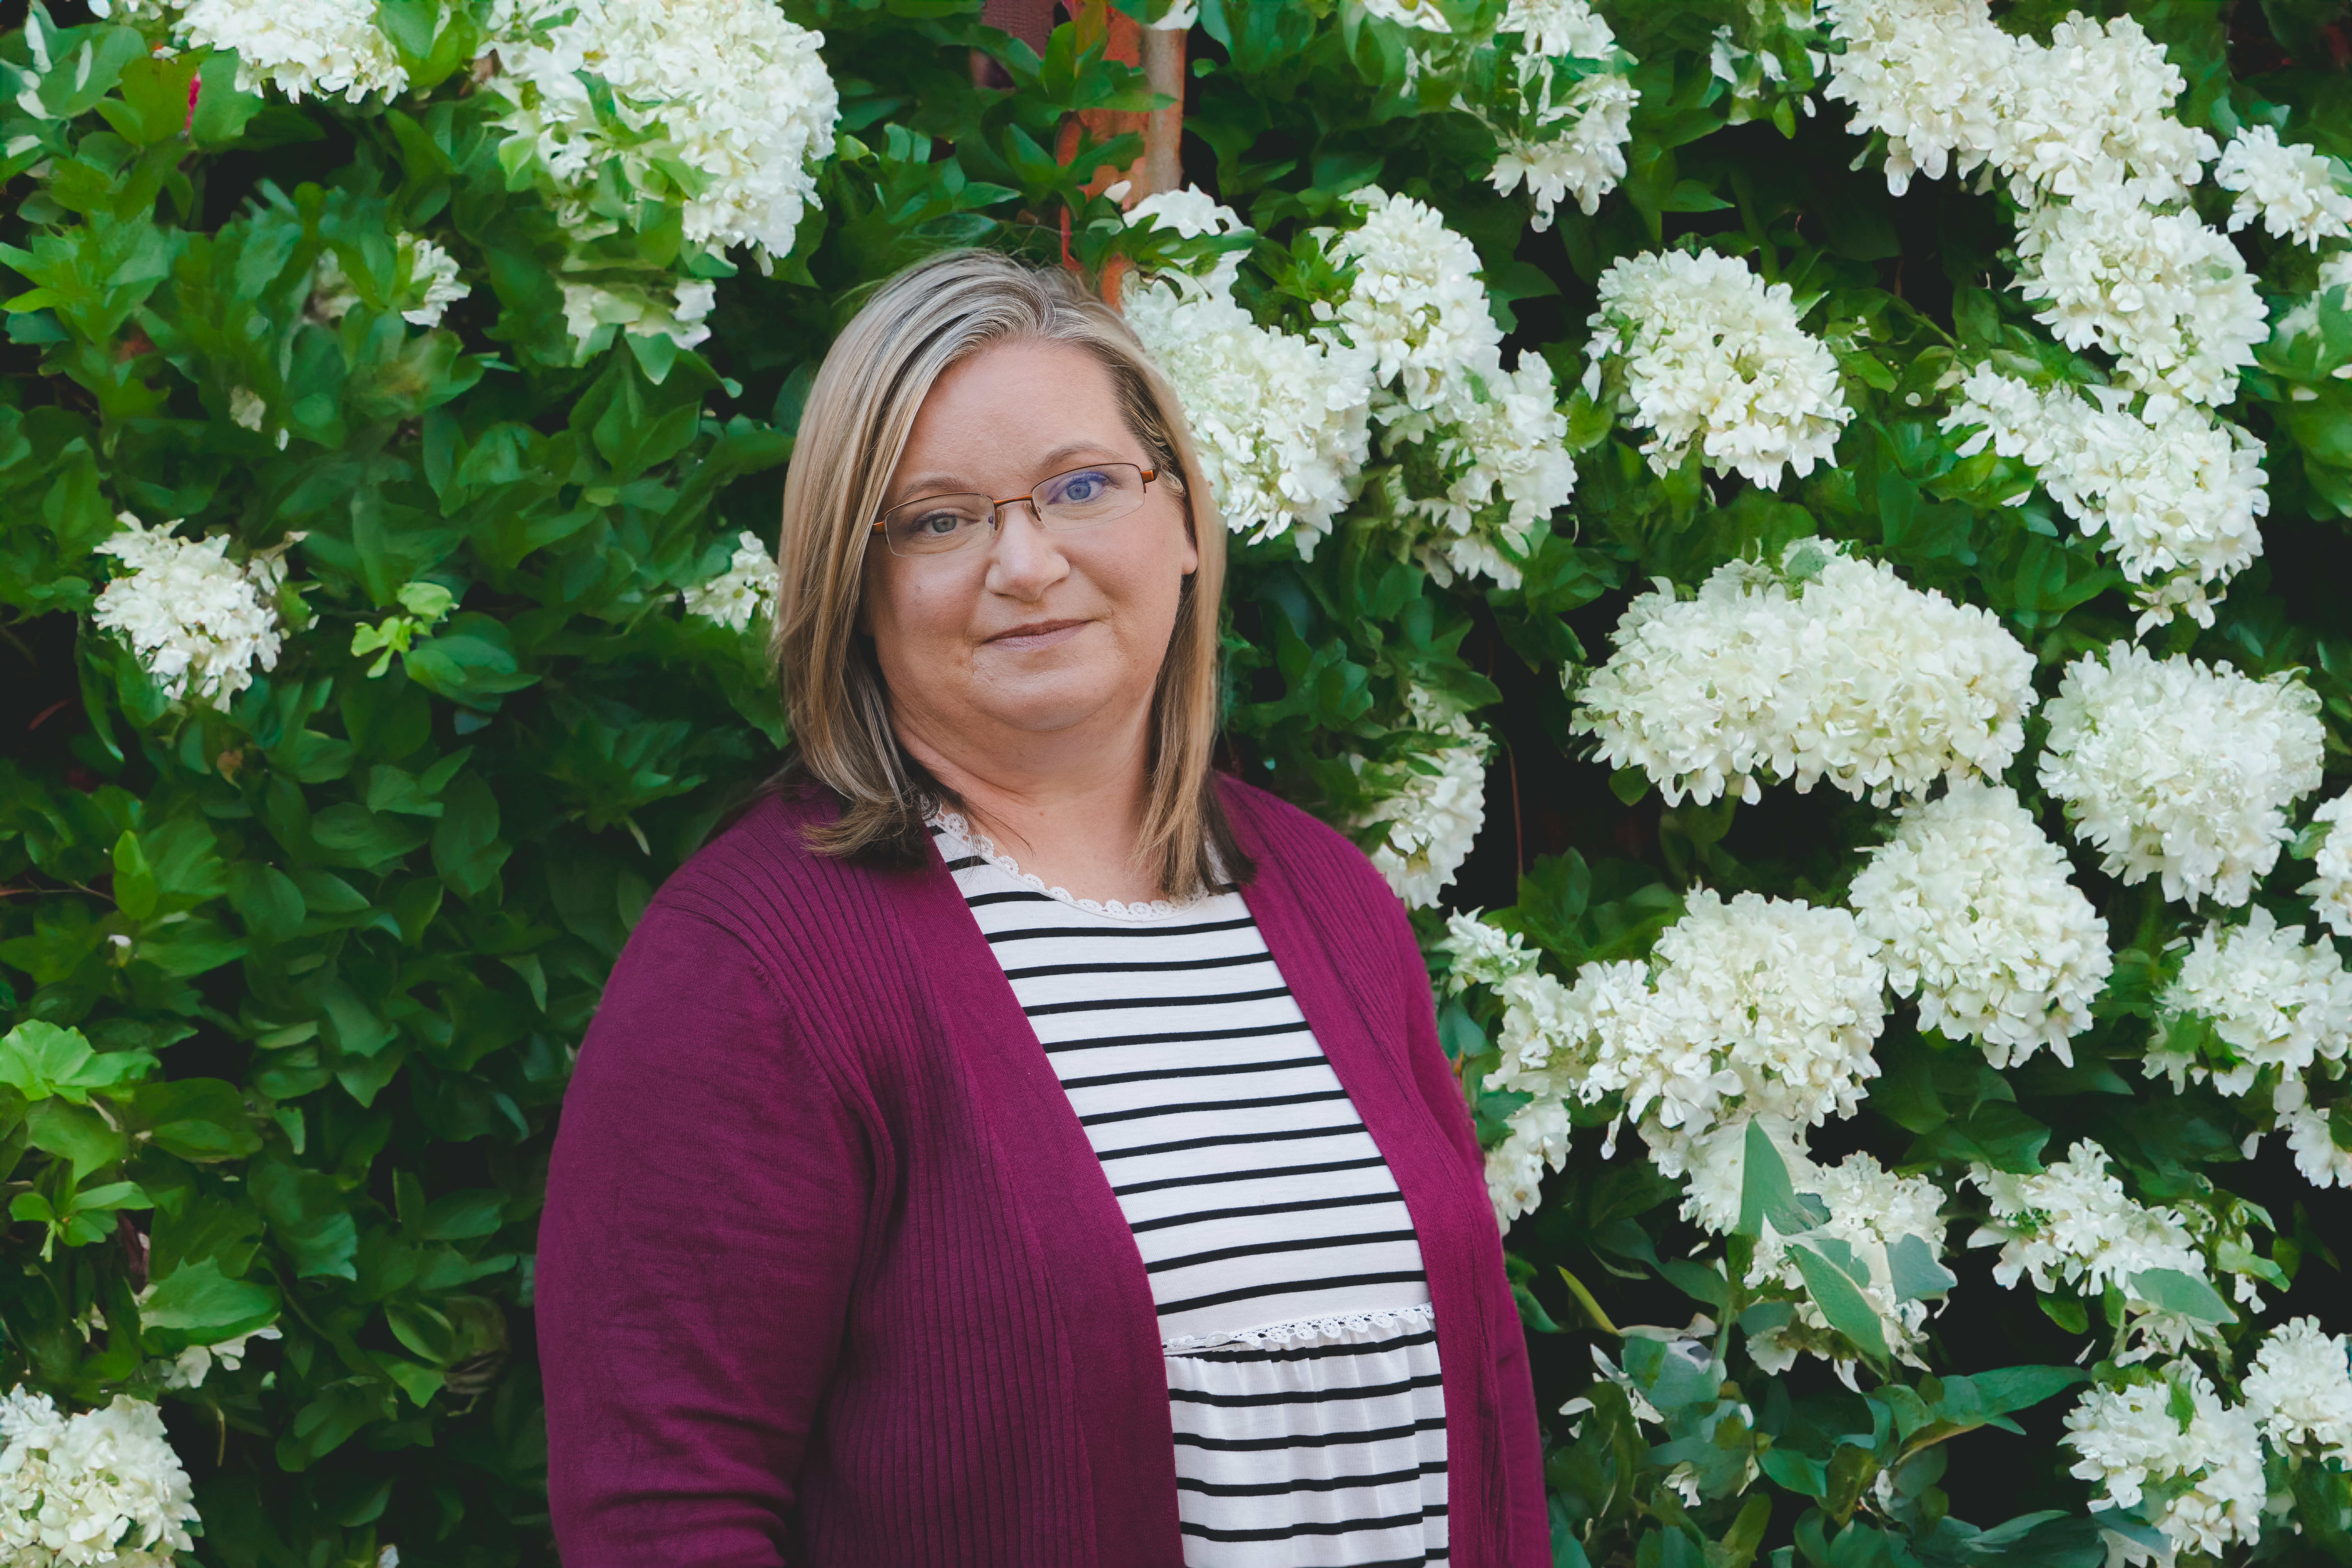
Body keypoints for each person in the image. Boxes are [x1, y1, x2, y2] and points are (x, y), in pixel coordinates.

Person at [533, 249, 1546, 1566]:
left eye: (1081, 488)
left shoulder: (1329, 904)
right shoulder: (756, 973)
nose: (1027, 562)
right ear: (858, 582)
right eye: (942, 520)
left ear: (1180, 522)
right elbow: (662, 1517)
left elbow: (1488, 1419)